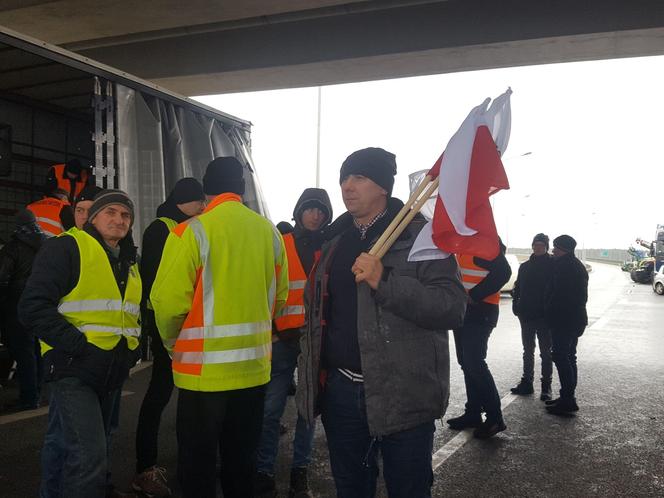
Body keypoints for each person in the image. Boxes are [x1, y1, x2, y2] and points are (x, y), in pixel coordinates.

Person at [296, 147, 467, 498]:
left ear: (383, 187)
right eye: (344, 178)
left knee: (408, 488)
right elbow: (315, 314)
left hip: (404, 391)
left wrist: (384, 282)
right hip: (341, 392)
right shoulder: (334, 241)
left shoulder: (421, 236)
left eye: (359, 177)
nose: (347, 186)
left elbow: (451, 307)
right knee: (351, 488)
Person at [150, 157, 289, 498]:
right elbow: (280, 298)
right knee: (241, 463)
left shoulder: (191, 230)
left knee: (197, 466)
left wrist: (173, 346)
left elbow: (167, 303)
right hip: (254, 371)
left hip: (203, 375)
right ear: (241, 190)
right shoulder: (269, 232)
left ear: (207, 192)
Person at [19, 190, 142, 498]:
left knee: (73, 448)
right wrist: (78, 346)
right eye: (110, 212)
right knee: (89, 458)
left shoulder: (129, 261)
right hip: (74, 368)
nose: (119, 219)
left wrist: (131, 351)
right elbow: (32, 307)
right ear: (94, 217)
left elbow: (129, 314)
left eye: (125, 215)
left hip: (109, 370)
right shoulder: (67, 248)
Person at [255, 188, 333, 498]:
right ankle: (263, 470)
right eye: (310, 209)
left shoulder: (330, 246)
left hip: (314, 342)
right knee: (270, 410)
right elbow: (266, 287)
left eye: (321, 210)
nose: (316, 215)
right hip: (282, 339)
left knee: (306, 411)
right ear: (299, 211)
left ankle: (299, 470)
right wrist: (272, 328)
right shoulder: (280, 242)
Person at [133, 178, 206, 497]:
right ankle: (145, 466)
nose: (203, 208)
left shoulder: (184, 227)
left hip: (187, 325)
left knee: (186, 398)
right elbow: (159, 284)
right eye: (199, 202)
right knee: (160, 394)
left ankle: (189, 461)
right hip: (168, 327)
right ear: (184, 202)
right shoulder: (162, 229)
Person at [447, 240, 512, 439]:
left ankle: (495, 418)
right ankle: (473, 413)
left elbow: (503, 272)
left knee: (474, 363)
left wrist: (475, 295)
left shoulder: (483, 240)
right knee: (466, 363)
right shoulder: (463, 244)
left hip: (480, 311)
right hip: (465, 312)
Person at [0, 209, 46, 410]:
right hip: (42, 303)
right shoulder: (48, 244)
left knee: (23, 351)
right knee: (38, 349)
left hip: (18, 305)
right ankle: (39, 391)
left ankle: (29, 397)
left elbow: (2, 278)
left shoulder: (12, 248)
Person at [544, 235, 588, 415]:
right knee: (569, 356)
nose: (553, 250)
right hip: (574, 319)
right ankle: (567, 397)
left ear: (565, 250)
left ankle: (568, 399)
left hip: (564, 320)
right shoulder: (575, 265)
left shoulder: (565, 267)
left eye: (556, 248)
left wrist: (548, 311)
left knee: (562, 356)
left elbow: (560, 297)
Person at [510, 233, 555, 401]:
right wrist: (516, 305)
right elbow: (518, 287)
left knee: (546, 352)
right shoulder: (525, 266)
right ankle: (527, 383)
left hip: (545, 316)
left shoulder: (553, 265)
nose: (538, 247)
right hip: (527, 315)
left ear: (546, 247)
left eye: (541, 245)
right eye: (536, 244)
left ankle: (546, 386)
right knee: (528, 350)